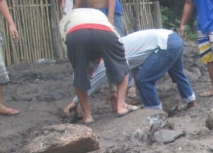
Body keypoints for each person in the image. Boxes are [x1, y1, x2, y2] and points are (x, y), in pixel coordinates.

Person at [63, 29, 196, 115]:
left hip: (164, 44)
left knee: (144, 80)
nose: (91, 73)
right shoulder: (115, 46)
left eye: (90, 71)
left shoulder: (105, 58)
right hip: (172, 38)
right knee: (177, 73)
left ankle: (155, 112)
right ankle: (190, 102)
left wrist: (75, 101)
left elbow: (96, 81)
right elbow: (133, 69)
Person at [59, 8, 139, 124]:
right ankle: (121, 106)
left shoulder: (64, 21)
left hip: (76, 34)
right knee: (121, 66)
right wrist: (114, 87)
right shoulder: (101, 16)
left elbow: (72, 57)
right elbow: (119, 62)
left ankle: (87, 116)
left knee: (79, 73)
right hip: (104, 32)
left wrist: (81, 68)